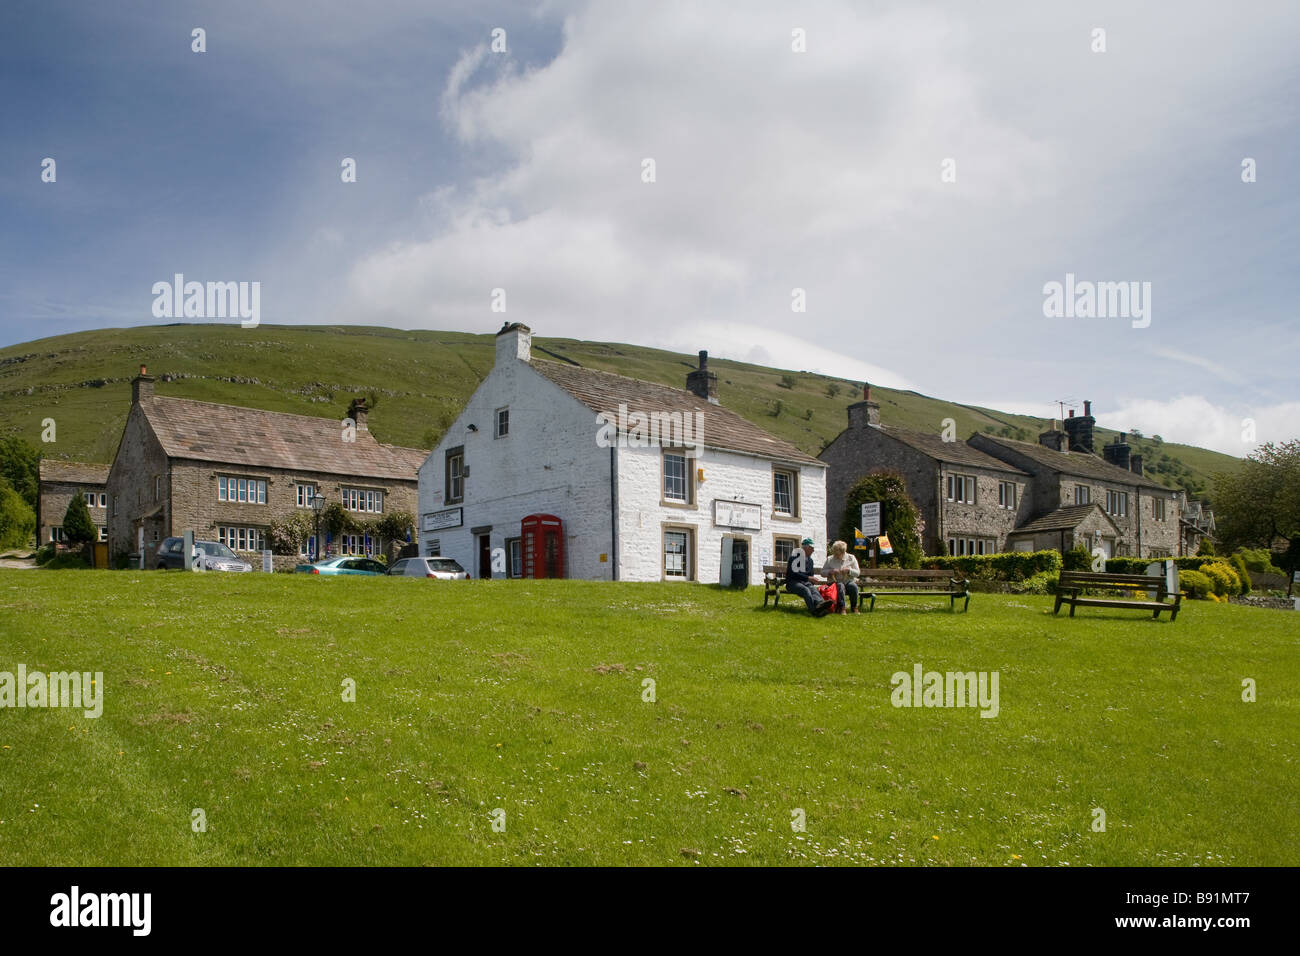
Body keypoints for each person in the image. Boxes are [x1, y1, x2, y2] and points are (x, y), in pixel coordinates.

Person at [786, 538, 832, 615]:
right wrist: (808, 578)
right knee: (805, 590)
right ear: (805, 548)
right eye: (812, 548)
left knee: (813, 589)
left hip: (805, 582)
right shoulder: (794, 558)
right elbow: (793, 573)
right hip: (793, 583)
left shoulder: (810, 561)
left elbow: (810, 574)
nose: (813, 550)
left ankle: (821, 604)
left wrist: (811, 579)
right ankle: (814, 611)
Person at [822, 540, 861, 614]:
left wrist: (849, 570)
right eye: (834, 553)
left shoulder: (851, 558)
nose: (835, 555)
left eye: (837, 554)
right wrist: (830, 571)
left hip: (848, 581)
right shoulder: (830, 559)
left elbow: (857, 573)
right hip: (834, 583)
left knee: (853, 586)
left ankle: (854, 607)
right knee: (840, 586)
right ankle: (842, 608)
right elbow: (822, 573)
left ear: (843, 552)